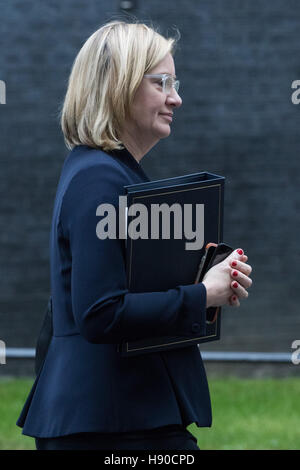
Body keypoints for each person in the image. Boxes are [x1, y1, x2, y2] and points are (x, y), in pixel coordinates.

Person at [16, 20, 252, 450]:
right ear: (118, 86)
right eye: (162, 82)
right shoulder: (99, 179)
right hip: (113, 425)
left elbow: (112, 294)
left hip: (119, 417)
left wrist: (206, 276)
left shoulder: (103, 173)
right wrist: (201, 294)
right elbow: (100, 312)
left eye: (174, 82)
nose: (176, 97)